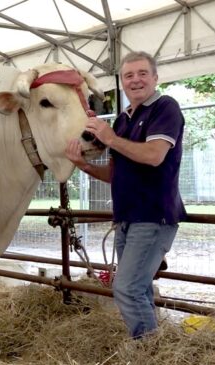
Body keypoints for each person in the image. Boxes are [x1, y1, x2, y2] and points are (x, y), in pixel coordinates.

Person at [65, 51, 187, 339]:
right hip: (128, 217)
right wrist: (82, 165)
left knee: (126, 288)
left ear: (155, 78)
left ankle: (148, 351)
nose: (135, 80)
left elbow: (155, 155)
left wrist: (109, 138)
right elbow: (114, 173)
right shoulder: (123, 119)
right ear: (122, 82)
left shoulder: (165, 107)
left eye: (142, 73)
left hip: (153, 214)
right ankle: (153, 345)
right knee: (139, 287)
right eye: (129, 75)